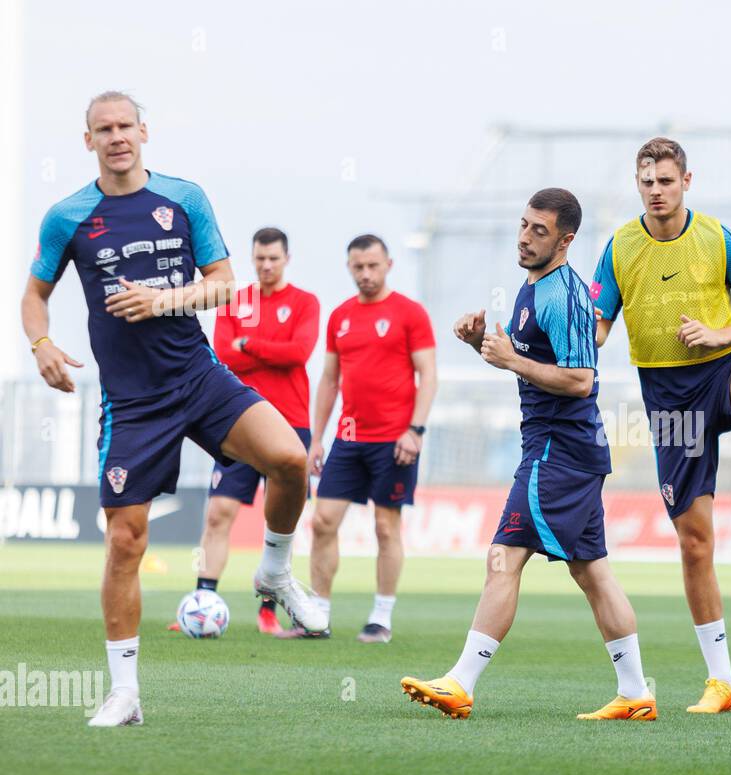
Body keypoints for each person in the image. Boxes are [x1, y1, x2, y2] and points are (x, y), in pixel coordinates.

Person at [20, 91, 327, 727]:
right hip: (133, 403)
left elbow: (223, 281)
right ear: (89, 142)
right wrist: (42, 343)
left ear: (144, 131)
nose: (116, 137)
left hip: (199, 378)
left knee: (291, 460)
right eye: (102, 129)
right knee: (125, 542)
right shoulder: (68, 216)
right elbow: (34, 293)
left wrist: (162, 300)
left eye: (125, 125)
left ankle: (273, 571)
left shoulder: (184, 199)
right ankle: (125, 693)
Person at [401, 189, 653, 720]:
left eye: (539, 231)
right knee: (592, 573)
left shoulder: (563, 294)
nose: (524, 236)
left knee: (504, 557)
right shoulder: (533, 285)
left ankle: (461, 682)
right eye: (523, 225)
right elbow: (531, 360)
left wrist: (512, 360)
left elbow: (581, 381)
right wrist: (482, 346)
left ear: (565, 241)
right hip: (565, 451)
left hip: (557, 450)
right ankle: (635, 693)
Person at [590, 137, 731, 715]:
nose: (656, 190)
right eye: (647, 182)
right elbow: (597, 325)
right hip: (669, 405)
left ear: (688, 180)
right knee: (694, 544)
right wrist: (560, 345)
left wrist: (721, 336)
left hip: (718, 376)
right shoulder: (619, 247)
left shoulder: (716, 237)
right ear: (636, 185)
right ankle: (722, 683)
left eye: (666, 180)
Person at [171, 227, 319, 635]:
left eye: (273, 258)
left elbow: (299, 353)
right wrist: (266, 348)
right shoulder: (237, 298)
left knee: (280, 520)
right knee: (219, 512)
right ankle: (203, 599)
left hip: (290, 424)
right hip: (236, 420)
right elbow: (221, 355)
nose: (266, 265)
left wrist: (250, 345)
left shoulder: (305, 302)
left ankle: (268, 612)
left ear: (286, 258)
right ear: (252, 259)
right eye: (259, 259)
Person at [308, 235, 437, 643]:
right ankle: (318, 615)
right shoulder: (340, 316)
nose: (365, 274)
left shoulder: (410, 313)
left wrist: (414, 431)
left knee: (385, 528)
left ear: (388, 265)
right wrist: (316, 439)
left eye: (373, 266)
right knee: (323, 521)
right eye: (358, 267)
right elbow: (330, 380)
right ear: (349, 267)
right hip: (348, 439)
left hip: (395, 441)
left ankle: (381, 617)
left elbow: (428, 376)